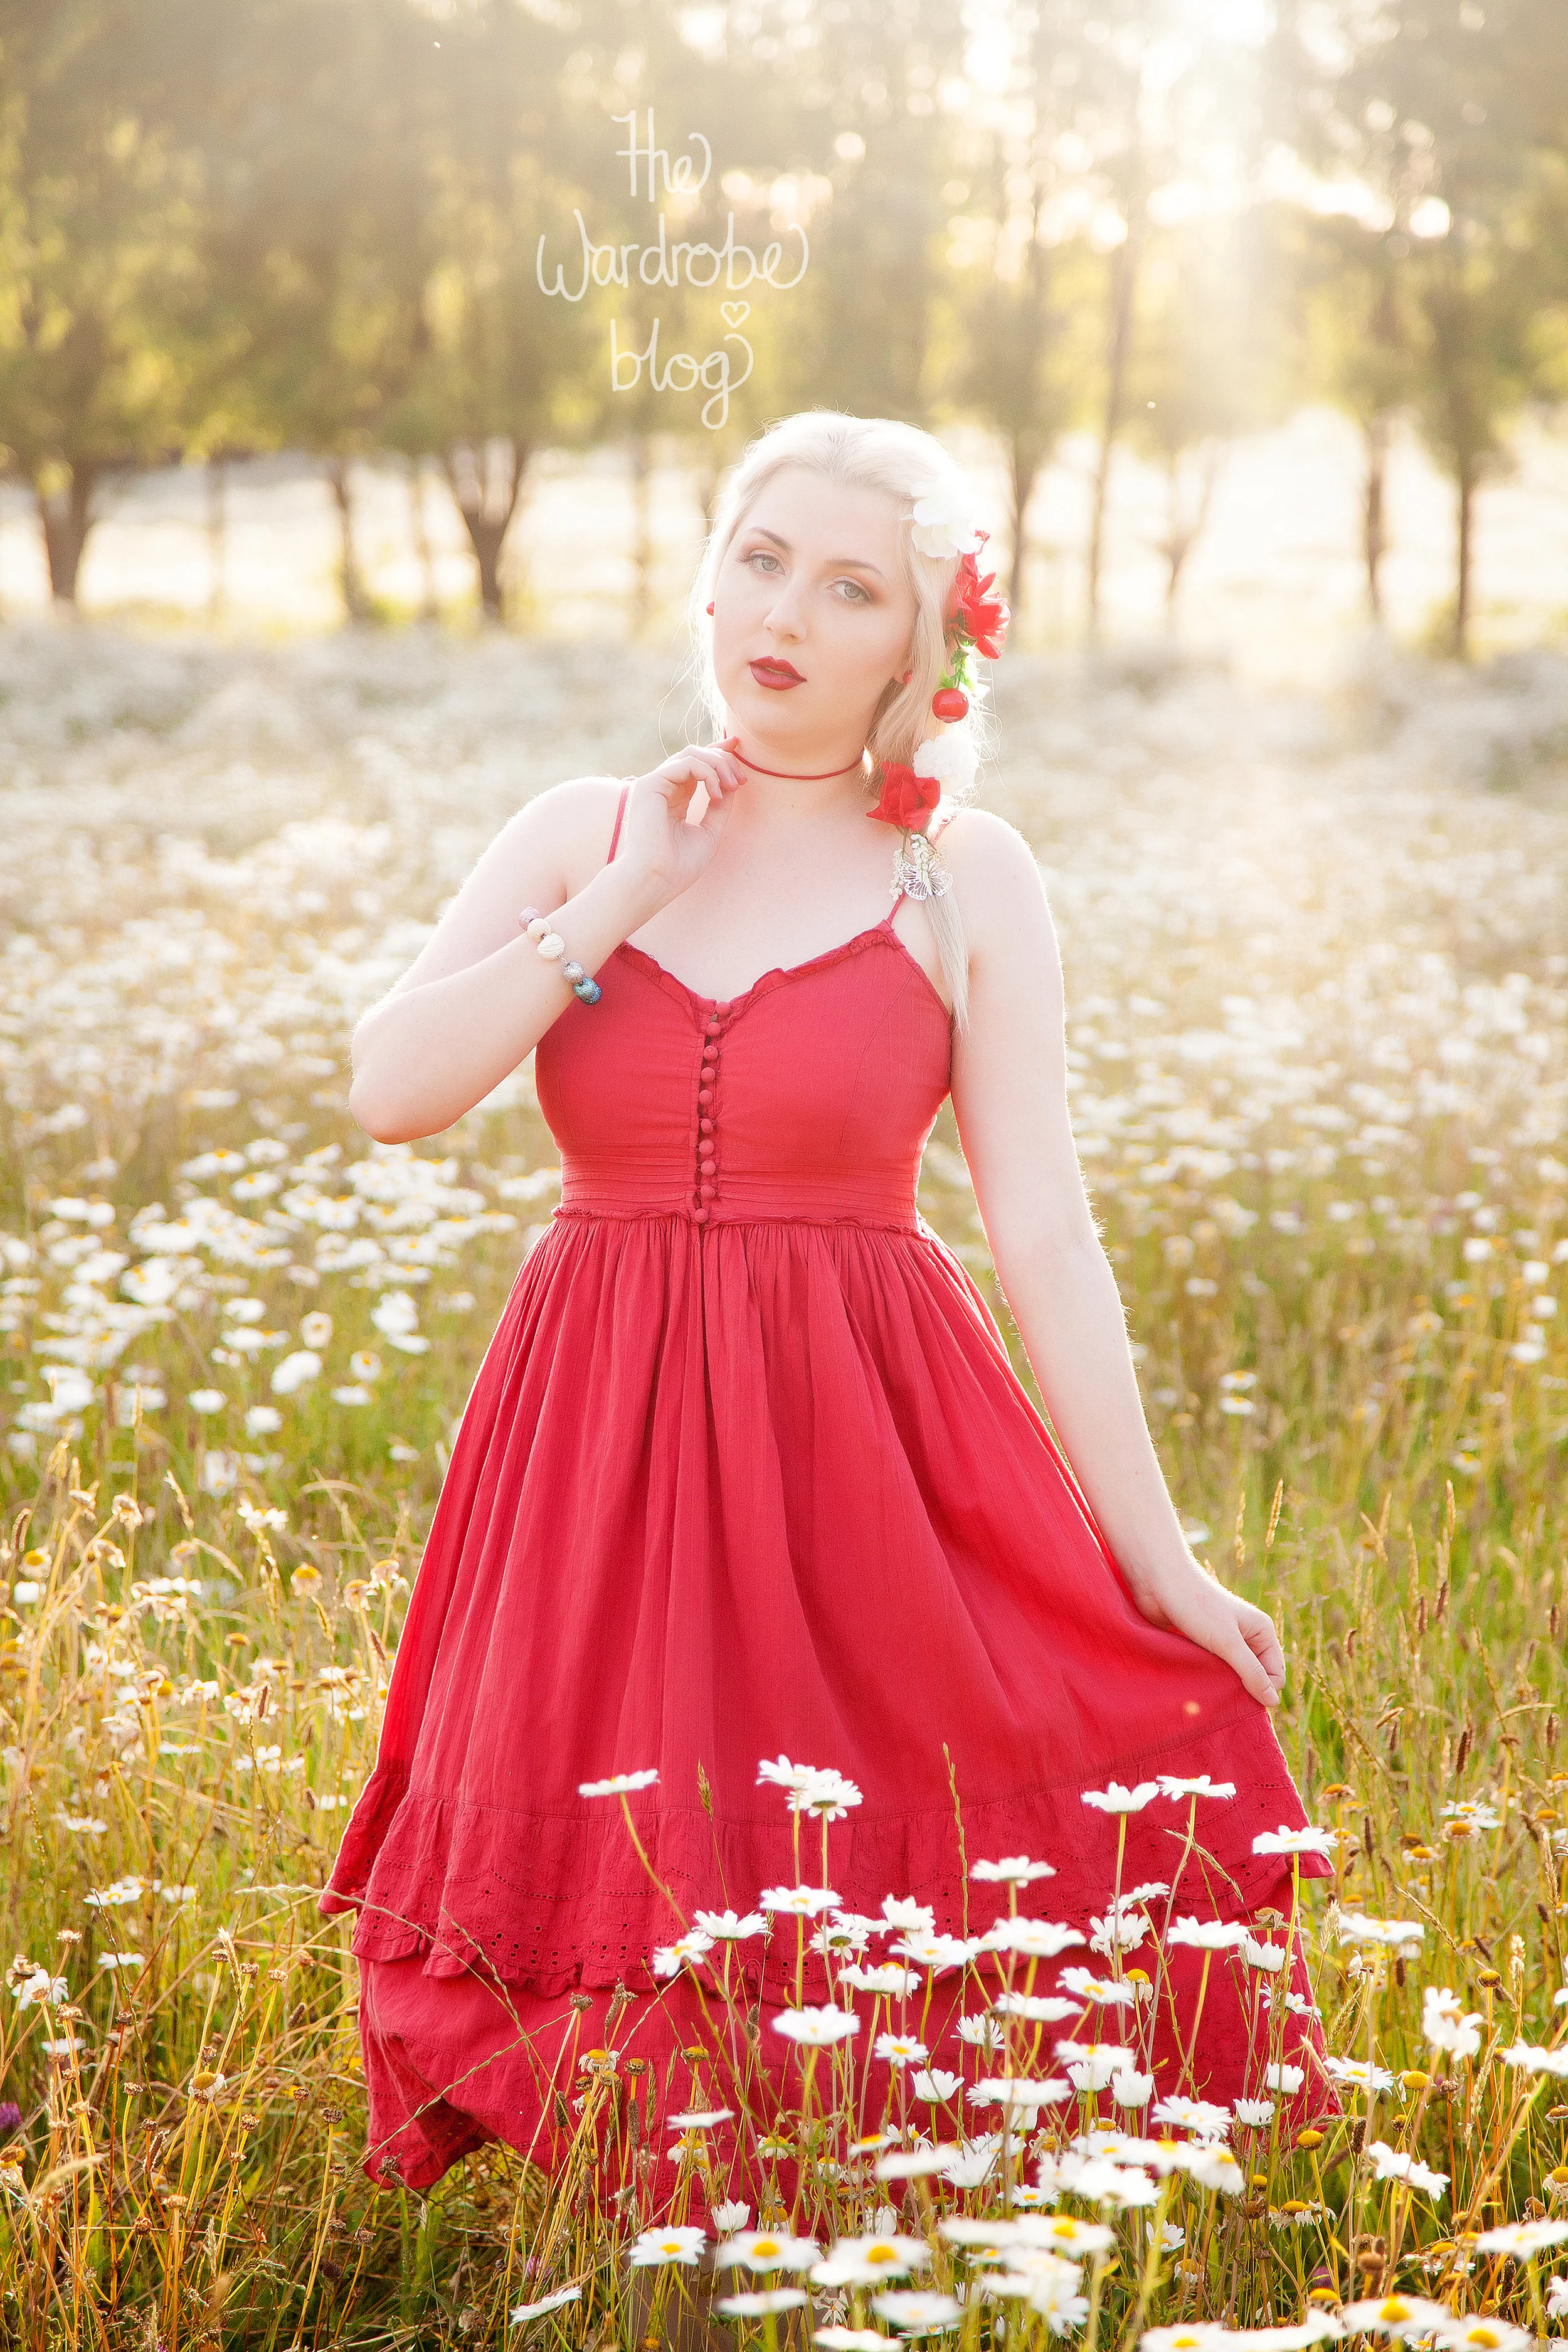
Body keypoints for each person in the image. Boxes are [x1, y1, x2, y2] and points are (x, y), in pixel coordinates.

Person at [318, 410, 1332, 2205]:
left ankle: (858, 2216)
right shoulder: (579, 830)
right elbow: (394, 1084)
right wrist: (629, 890)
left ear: (917, 647)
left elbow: (1043, 1228)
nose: (783, 607)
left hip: (867, 1441)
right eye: (762, 556)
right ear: (711, 576)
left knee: (871, 1834)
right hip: (595, 1438)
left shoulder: (962, 876)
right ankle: (673, 2237)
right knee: (636, 1838)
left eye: (849, 583)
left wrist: (1156, 1559)